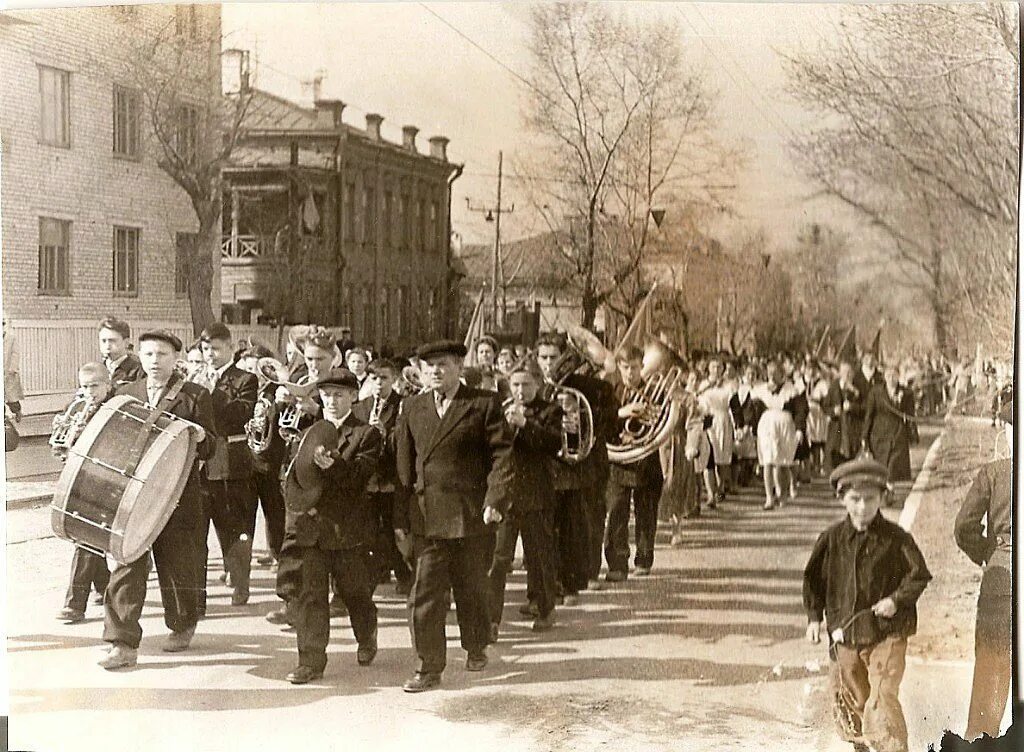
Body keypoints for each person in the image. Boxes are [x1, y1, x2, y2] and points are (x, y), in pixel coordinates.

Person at [394, 339, 512, 693]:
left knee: (472, 588)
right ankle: (428, 666)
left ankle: (476, 645)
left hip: (470, 516)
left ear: (460, 367)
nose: (435, 371)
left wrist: (495, 499)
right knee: (424, 594)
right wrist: (401, 518)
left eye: (443, 365)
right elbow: (404, 468)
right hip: (428, 518)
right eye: (428, 366)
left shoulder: (482, 404)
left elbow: (502, 457)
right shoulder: (412, 408)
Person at [99, 330, 214, 669]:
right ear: (140, 356)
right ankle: (121, 643)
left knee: (177, 563)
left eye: (162, 354)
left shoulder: (195, 395)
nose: (154, 361)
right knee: (126, 562)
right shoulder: (124, 394)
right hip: (132, 496)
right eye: (148, 354)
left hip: (177, 494)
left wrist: (202, 436)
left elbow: (212, 447)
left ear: (176, 358)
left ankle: (182, 624)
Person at [803, 456, 932, 752]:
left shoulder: (895, 538)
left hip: (887, 631)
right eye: (855, 499)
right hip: (846, 632)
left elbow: (918, 574)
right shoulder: (832, 540)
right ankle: (863, 745)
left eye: (870, 499)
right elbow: (813, 579)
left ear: (882, 497)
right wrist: (814, 618)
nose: (863, 507)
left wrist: (895, 600)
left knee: (883, 694)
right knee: (850, 695)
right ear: (843, 500)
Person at [283, 368, 382, 684]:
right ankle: (310, 661)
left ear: (354, 397)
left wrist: (336, 466)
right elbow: (294, 477)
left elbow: (359, 480)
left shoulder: (367, 434)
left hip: (347, 531)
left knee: (355, 593)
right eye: (326, 394)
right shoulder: (308, 433)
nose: (332, 401)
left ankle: (367, 635)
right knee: (311, 595)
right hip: (312, 528)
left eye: (339, 394)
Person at [488, 364, 562, 638]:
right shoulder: (499, 410)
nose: (520, 390)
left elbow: (554, 443)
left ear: (538, 384)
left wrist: (525, 424)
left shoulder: (550, 411)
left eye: (526, 385)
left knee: (539, 556)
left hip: (536, 495)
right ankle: (491, 620)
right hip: (507, 496)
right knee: (498, 559)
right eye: (516, 384)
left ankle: (545, 609)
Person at [954, 400, 1012, 740]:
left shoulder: (993, 473)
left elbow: (963, 527)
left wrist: (989, 555)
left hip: (1001, 583)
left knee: (990, 681)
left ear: (1006, 431)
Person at [199, 323, 259, 608]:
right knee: (199, 529)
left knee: (234, 525)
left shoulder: (245, 378)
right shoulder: (195, 378)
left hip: (229, 462)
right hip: (199, 463)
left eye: (217, 349)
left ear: (231, 349)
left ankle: (240, 582)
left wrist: (208, 394)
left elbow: (240, 413)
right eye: (206, 349)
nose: (210, 355)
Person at [54, 362, 114, 623]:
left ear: (108, 385)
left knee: (85, 538)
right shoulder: (78, 407)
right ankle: (106, 588)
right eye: (85, 386)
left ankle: (74, 604)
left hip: (105, 482)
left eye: (95, 386)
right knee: (89, 538)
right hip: (80, 478)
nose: (90, 391)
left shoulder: (115, 408)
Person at [352, 357, 412, 595]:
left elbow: (405, 442)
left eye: (384, 378)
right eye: (374, 378)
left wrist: (384, 433)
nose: (378, 383)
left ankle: (404, 575)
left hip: (389, 478)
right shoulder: (362, 406)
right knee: (369, 531)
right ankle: (375, 574)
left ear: (395, 380)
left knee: (390, 530)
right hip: (368, 479)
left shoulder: (403, 405)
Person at [605, 346, 664, 580]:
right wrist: (622, 413)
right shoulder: (611, 392)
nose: (630, 373)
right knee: (617, 509)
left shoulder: (655, 391)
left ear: (643, 366)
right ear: (619, 367)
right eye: (625, 367)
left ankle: (644, 559)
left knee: (646, 511)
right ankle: (617, 564)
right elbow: (602, 420)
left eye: (635, 367)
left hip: (647, 459)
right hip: (619, 458)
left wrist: (649, 420)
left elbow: (663, 421)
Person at [751, 361, 807, 510]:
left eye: (774, 372)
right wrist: (752, 428)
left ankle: (782, 494)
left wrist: (800, 429)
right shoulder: (761, 390)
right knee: (768, 460)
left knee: (782, 462)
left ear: (782, 374)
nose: (771, 376)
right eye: (769, 372)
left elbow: (801, 410)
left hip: (786, 425)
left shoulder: (793, 390)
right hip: (767, 426)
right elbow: (754, 410)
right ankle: (769, 497)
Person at [861, 366, 916, 484]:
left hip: (897, 435)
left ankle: (889, 490)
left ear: (898, 377)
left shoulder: (906, 393)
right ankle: (885, 491)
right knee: (881, 469)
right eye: (888, 375)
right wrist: (864, 436)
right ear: (884, 377)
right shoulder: (876, 392)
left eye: (894, 375)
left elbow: (911, 415)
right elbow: (869, 416)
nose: (891, 378)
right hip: (879, 436)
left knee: (892, 469)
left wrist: (913, 435)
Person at [698, 358, 735, 508]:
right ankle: (710, 495)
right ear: (708, 368)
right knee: (708, 460)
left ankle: (720, 490)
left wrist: (738, 425)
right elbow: (698, 402)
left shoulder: (729, 385)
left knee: (723, 460)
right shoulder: (703, 385)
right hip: (708, 421)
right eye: (713, 366)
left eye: (719, 366)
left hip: (724, 421)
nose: (716, 369)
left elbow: (734, 406)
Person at [824, 360, 867, 470]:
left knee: (852, 458)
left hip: (853, 428)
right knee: (836, 456)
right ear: (839, 373)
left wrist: (853, 407)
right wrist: (833, 411)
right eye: (843, 372)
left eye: (849, 372)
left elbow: (866, 407)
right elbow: (825, 406)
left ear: (853, 373)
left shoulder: (860, 387)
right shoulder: (834, 386)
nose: (846, 375)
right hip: (838, 428)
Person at [97, 317, 143, 387]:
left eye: (112, 340)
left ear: (126, 342)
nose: (107, 345)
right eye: (103, 341)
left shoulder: (139, 369)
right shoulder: (97, 370)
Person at [2, 319, 24, 422]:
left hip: (9, 373)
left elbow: (15, 354)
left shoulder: (11, 338)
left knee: (12, 400)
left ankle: (17, 411)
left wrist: (12, 368)